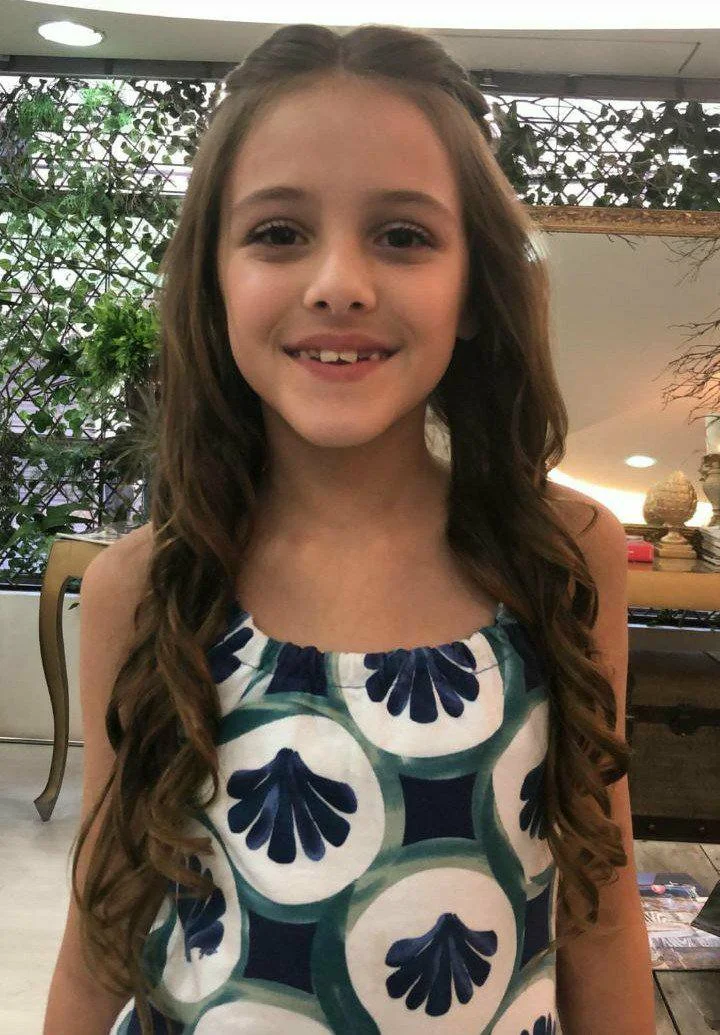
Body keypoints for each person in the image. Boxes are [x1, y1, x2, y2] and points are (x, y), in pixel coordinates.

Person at [43, 22, 655, 1035]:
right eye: (279, 233)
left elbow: (601, 911)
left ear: (474, 288)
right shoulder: (146, 586)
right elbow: (98, 934)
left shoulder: (562, 555)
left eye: (403, 236)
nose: (340, 282)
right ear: (213, 280)